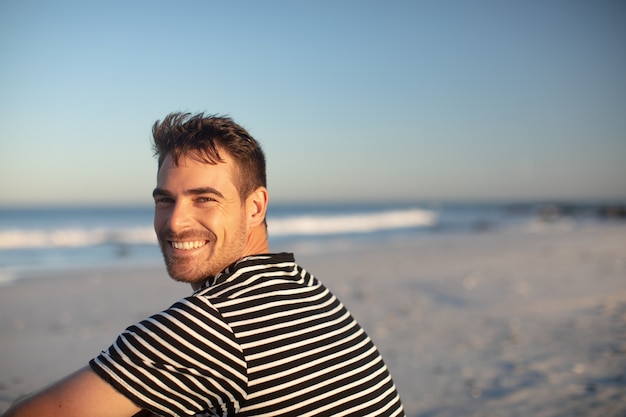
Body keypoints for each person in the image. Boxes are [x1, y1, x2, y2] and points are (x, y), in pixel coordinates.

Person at [3, 112, 405, 417]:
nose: (175, 221)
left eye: (204, 199)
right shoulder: (303, 288)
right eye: (165, 200)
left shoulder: (209, 326)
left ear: (255, 206)